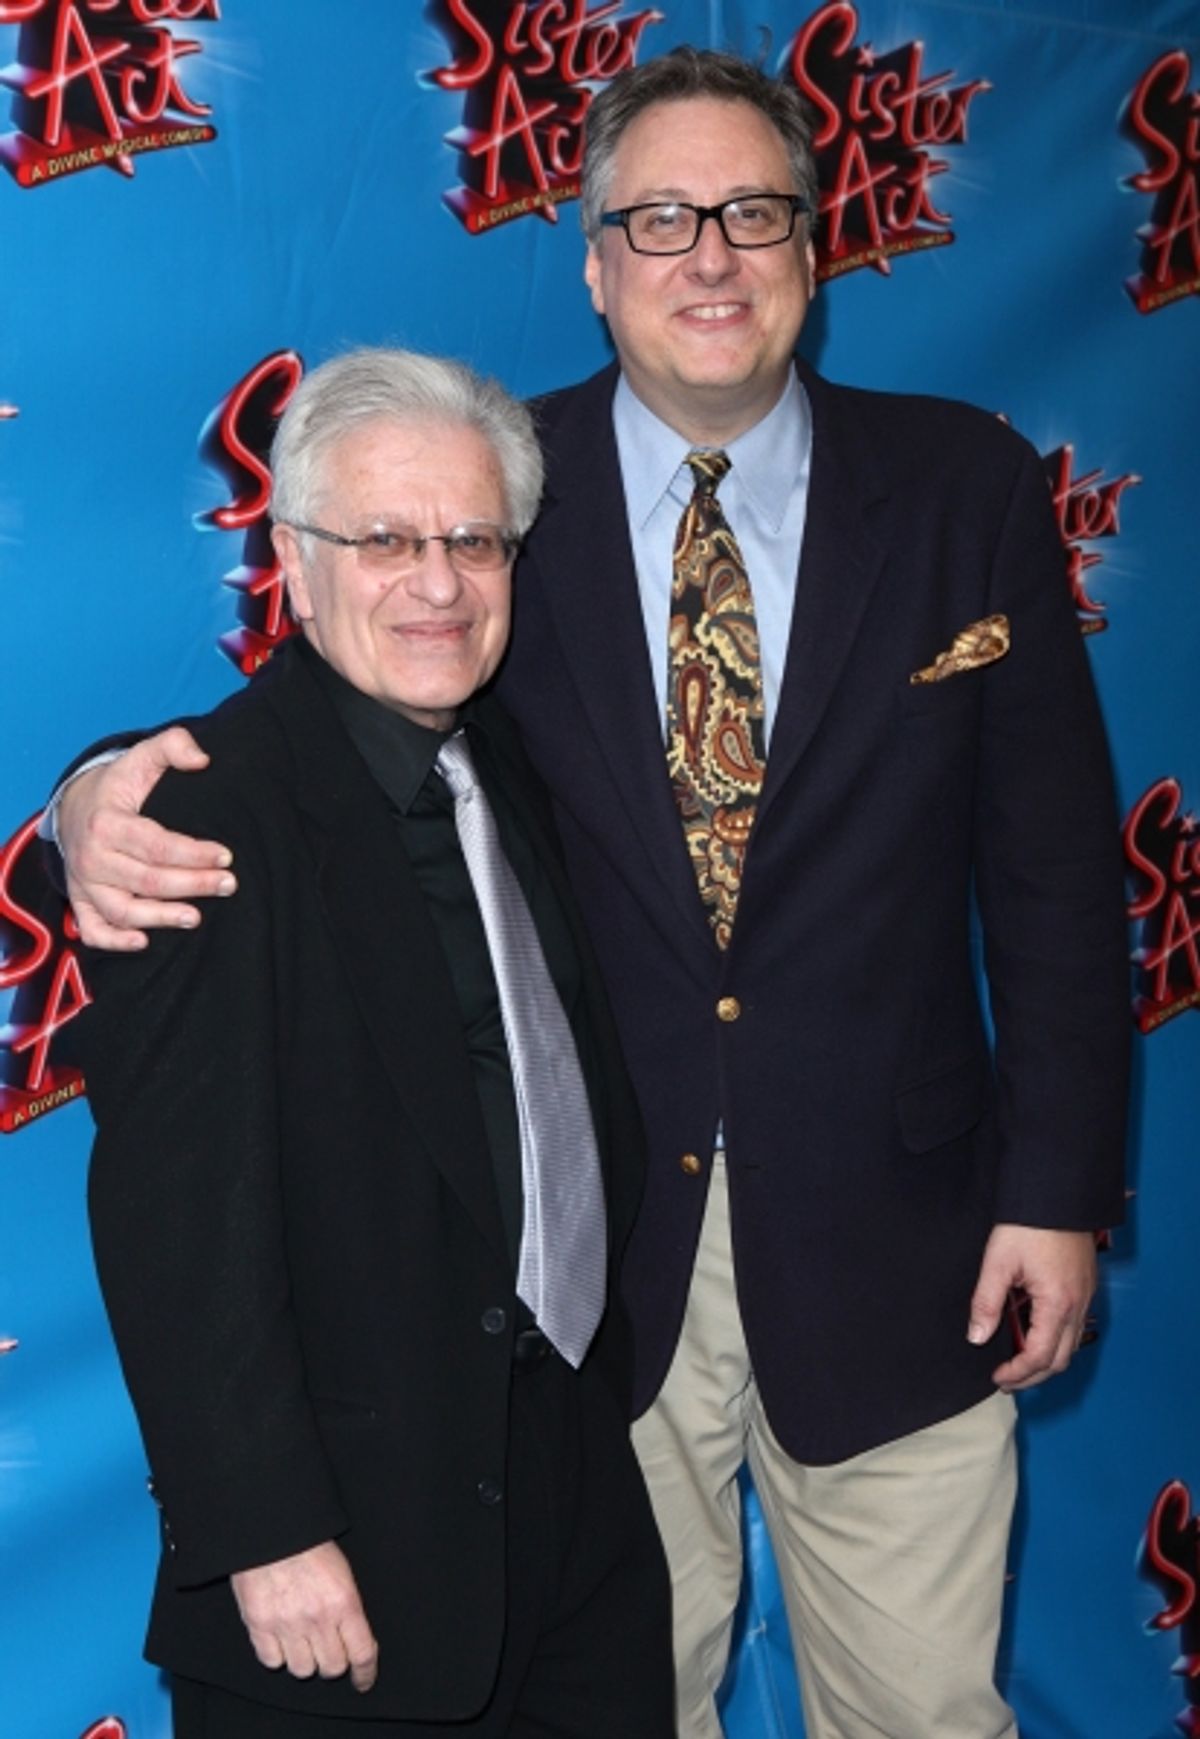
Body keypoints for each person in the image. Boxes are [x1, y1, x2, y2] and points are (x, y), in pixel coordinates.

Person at [54, 48, 1130, 1739]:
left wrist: (1059, 1187)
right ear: (591, 255)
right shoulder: (492, 495)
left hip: (906, 1238)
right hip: (593, 1278)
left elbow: (1063, 873)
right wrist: (88, 791)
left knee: (928, 1711)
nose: (708, 255)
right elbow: (314, 713)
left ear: (815, 239)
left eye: (751, 212)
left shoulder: (969, 488)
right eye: (657, 217)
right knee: (633, 1701)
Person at [72, 347, 674, 1739]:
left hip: (576, 1528)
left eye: (475, 540)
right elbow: (172, 1221)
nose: (439, 584)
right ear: (292, 555)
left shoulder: (500, 756)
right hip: (335, 1575)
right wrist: (261, 1531)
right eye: (387, 540)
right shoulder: (199, 823)